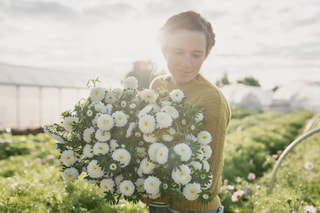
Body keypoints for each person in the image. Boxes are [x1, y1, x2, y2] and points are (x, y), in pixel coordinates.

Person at [143, 10, 231, 213]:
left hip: (193, 208)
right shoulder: (157, 85)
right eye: (178, 51)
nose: (186, 63)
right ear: (164, 51)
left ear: (206, 55)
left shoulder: (212, 100)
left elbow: (207, 180)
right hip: (157, 202)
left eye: (196, 54)